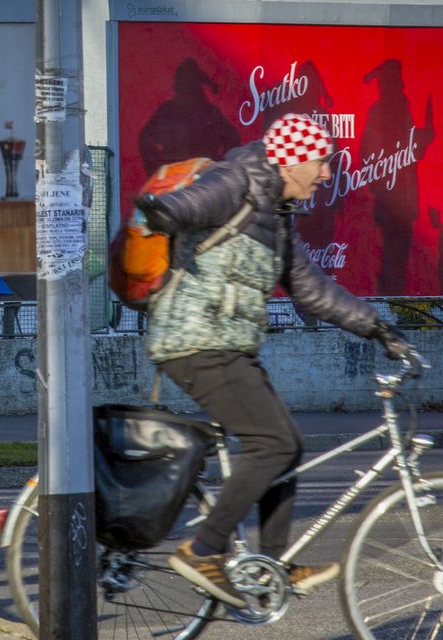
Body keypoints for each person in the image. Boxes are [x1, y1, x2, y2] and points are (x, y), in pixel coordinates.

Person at [134, 113, 412, 608]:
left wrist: (377, 326)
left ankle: (270, 567)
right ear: (292, 161)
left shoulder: (278, 218)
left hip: (228, 345)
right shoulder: (237, 181)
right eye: (321, 163)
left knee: (289, 443)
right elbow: (192, 203)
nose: (327, 174)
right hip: (194, 341)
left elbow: (313, 292)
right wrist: (164, 212)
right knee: (272, 442)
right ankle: (202, 550)